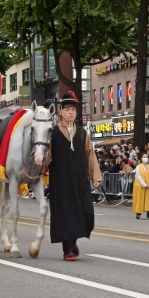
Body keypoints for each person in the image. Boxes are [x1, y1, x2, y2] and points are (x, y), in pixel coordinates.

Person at [46, 93, 102, 261]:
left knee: (86, 212)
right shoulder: (53, 133)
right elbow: (47, 155)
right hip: (60, 181)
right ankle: (67, 249)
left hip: (80, 179)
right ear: (61, 112)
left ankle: (75, 240)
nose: (70, 112)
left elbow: (90, 155)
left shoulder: (83, 133)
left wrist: (95, 176)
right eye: (67, 109)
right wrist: (40, 160)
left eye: (73, 109)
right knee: (65, 214)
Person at [132, 153, 149, 220]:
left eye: (146, 157)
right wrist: (144, 184)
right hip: (140, 186)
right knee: (140, 199)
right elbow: (138, 176)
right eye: (144, 157)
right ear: (141, 158)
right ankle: (138, 213)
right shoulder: (138, 167)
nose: (145, 158)